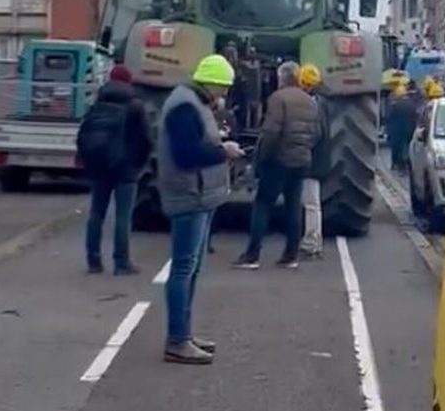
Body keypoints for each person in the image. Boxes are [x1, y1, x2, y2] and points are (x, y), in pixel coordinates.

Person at [158, 54, 243, 365]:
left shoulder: (194, 103)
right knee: (183, 268)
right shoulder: (184, 106)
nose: (224, 93)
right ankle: (177, 340)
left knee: (191, 268)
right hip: (189, 195)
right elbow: (186, 154)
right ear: (209, 82)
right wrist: (223, 151)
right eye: (222, 87)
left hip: (201, 195)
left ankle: (185, 335)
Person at [233, 61, 318, 270]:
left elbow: (271, 133)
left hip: (279, 161)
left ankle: (252, 255)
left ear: (281, 79)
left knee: (262, 204)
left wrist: (260, 160)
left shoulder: (278, 99)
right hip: (301, 161)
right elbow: (316, 133)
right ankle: (291, 255)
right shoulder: (310, 101)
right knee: (293, 207)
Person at [77, 65, 153, 275]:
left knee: (96, 213)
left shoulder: (97, 104)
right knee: (122, 216)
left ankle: (93, 260)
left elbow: (83, 134)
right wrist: (139, 164)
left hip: (98, 167)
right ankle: (121, 262)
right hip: (126, 169)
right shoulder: (135, 105)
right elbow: (146, 139)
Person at [298, 64, 329, 260]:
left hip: (311, 160)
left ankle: (311, 243)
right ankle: (313, 242)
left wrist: (300, 146)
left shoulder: (313, 104)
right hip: (317, 159)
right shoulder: (322, 102)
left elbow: (315, 133)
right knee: (312, 203)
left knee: (311, 203)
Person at [386, 81, 419, 171]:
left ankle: (396, 163)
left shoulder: (395, 105)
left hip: (397, 130)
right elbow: (415, 117)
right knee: (408, 146)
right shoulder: (412, 104)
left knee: (397, 147)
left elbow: (389, 117)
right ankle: (408, 163)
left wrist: (388, 130)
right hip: (410, 129)